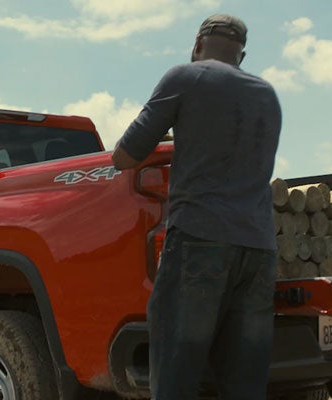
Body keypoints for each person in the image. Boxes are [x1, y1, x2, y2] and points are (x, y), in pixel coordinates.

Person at [112, 14, 282, 400]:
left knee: (176, 374)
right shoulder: (267, 93)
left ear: (197, 45)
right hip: (259, 249)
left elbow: (125, 155)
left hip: (200, 244)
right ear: (242, 54)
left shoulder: (186, 78)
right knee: (245, 384)